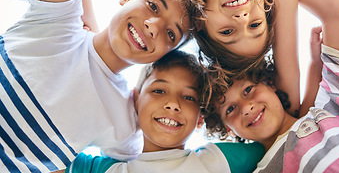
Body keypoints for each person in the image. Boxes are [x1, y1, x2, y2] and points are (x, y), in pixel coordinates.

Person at [0, 0, 200, 172]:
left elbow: (147, 164)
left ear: (164, 55)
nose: (154, 26)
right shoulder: (55, 20)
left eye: (171, 35)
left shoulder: (123, 122)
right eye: (153, 6)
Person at [83, 0, 303, 116]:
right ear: (265, 3)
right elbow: (289, 96)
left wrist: (90, 35)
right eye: (255, 25)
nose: (242, 19)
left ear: (201, 20)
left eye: (227, 32)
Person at [203, 0, 339, 172]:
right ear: (228, 129)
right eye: (230, 109)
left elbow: (336, 10)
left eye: (249, 89)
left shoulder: (335, 100)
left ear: (270, 83)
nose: (246, 107)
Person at [53, 50, 265, 173]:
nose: (173, 104)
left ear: (200, 118)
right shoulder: (102, 170)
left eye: (189, 97)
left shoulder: (220, 160)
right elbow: (35, 151)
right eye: (159, 90)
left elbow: (287, 135)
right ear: (135, 100)